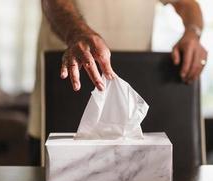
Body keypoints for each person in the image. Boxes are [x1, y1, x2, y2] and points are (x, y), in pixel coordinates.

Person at [28, 0, 208, 165]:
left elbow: (186, 3)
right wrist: (76, 33)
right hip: (65, 90)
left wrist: (193, 33)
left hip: (132, 100)